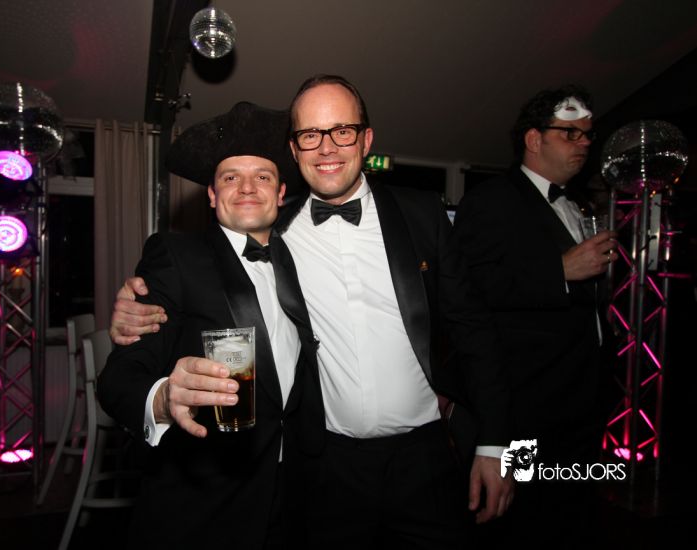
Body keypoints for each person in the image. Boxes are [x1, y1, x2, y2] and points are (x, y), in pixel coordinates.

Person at [112, 75, 513, 548]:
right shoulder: (276, 229)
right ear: (295, 149)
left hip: (427, 455)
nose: (326, 147)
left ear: (366, 140)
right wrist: (133, 311)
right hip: (328, 467)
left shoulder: (423, 214)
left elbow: (477, 332)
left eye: (342, 130)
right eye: (310, 134)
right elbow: (209, 270)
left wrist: (500, 449)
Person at [97, 102, 320, 550]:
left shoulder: (303, 262)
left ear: (281, 194)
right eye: (230, 177)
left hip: (295, 493)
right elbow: (119, 379)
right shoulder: (175, 256)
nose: (247, 187)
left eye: (262, 176)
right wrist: (164, 398)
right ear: (213, 196)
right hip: (207, 504)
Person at [453, 85, 617, 543]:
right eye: (570, 133)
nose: (584, 143)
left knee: (571, 515)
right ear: (533, 139)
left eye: (588, 134)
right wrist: (558, 271)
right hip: (523, 407)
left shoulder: (578, 204)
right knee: (516, 520)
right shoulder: (491, 200)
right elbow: (470, 290)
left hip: (582, 403)